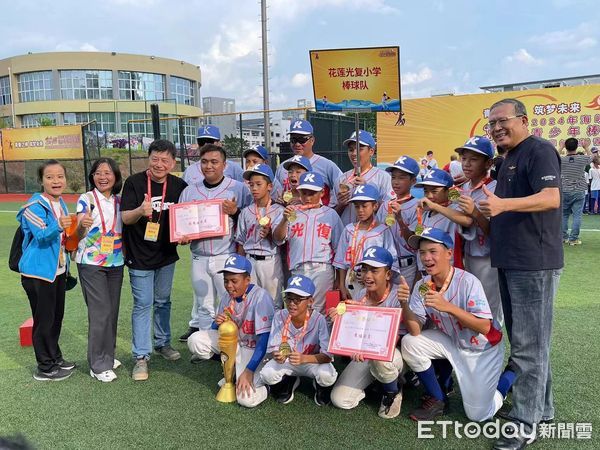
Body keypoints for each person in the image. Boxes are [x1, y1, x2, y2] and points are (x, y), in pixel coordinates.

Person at [479, 98, 562, 450]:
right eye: (491, 123)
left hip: (534, 262)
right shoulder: (507, 158)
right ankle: (542, 409)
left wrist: (501, 205)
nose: (497, 128)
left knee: (528, 346)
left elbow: (551, 197)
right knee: (530, 342)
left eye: (503, 121)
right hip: (511, 260)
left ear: (523, 120)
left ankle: (524, 423)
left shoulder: (539, 150)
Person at [400, 227, 514, 422]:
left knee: (478, 415)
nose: (426, 258)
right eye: (422, 252)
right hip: (453, 343)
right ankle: (438, 398)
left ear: (449, 253)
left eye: (432, 251)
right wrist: (404, 303)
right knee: (410, 342)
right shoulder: (422, 285)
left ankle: (510, 375)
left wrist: (448, 307)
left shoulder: (468, 281)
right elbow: (416, 330)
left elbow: (485, 327)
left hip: (482, 350)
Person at [121, 139, 188, 381]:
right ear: (149, 158)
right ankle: (141, 356)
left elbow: (188, 216)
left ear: (173, 162)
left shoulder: (180, 185)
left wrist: (186, 234)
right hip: (139, 256)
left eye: (165, 160)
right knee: (143, 304)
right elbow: (125, 218)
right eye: (155, 159)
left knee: (163, 301)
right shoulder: (134, 183)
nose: (159, 164)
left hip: (166, 256)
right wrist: (140, 211)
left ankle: (162, 343)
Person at [178, 143, 252, 342]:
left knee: (232, 302)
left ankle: (235, 343)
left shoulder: (238, 188)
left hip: (225, 254)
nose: (209, 166)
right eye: (204, 162)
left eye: (214, 162)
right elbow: (182, 224)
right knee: (204, 304)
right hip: (199, 255)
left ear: (224, 165)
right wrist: (182, 235)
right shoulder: (190, 191)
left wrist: (235, 212)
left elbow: (250, 220)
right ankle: (206, 345)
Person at [187, 255, 274, 408]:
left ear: (248, 279)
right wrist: (217, 323)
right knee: (196, 340)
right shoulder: (227, 297)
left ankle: (268, 386)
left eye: (234, 281)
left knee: (246, 399)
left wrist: (249, 370)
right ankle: (232, 371)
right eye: (226, 280)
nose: (229, 285)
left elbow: (264, 340)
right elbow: (217, 332)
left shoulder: (261, 297)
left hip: (255, 350)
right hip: (236, 346)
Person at [329, 246, 405, 419]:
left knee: (380, 359)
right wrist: (340, 324)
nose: (368, 275)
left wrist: (369, 348)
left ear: (387, 274)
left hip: (393, 353)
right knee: (340, 399)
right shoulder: (362, 293)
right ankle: (374, 384)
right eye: (365, 270)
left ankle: (393, 390)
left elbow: (401, 336)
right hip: (366, 354)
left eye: (374, 270)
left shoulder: (396, 295)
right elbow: (354, 332)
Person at [17, 160, 75, 381]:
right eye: (50, 177)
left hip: (57, 271)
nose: (56, 181)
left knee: (56, 317)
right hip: (37, 273)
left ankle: (55, 357)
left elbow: (64, 235)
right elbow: (41, 235)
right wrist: (59, 225)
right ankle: (44, 367)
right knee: (43, 320)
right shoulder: (32, 207)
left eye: (60, 176)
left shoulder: (61, 203)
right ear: (41, 181)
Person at [75, 158, 124, 382]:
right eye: (97, 173)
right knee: (100, 312)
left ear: (115, 176)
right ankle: (98, 364)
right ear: (92, 177)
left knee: (111, 311)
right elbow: (78, 232)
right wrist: (80, 226)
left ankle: (108, 355)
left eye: (107, 173)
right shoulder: (87, 199)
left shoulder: (119, 201)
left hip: (115, 262)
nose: (102, 177)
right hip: (91, 262)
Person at [260, 275, 337, 405]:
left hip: (311, 361)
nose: (291, 304)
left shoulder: (319, 319)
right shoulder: (280, 315)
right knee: (267, 374)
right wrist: (277, 356)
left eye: (297, 300)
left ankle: (320, 387)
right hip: (288, 361)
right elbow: (273, 348)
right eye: (289, 298)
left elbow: (328, 356)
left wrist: (304, 359)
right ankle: (288, 381)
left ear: (310, 301)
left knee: (327, 376)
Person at [273, 172, 343, 313]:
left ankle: (321, 336)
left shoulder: (330, 214)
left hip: (322, 268)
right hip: (298, 268)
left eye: (312, 193)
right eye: (304, 193)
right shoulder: (292, 213)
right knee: (298, 311)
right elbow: (278, 238)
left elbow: (339, 250)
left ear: (322, 192)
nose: (308, 197)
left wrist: (339, 280)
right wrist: (284, 219)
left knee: (319, 312)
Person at [453, 136, 503, 325]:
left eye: (473, 159)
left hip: (488, 259)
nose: (466, 163)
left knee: (489, 308)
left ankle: (492, 349)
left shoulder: (495, 188)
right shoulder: (462, 187)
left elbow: (496, 232)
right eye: (464, 158)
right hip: (465, 255)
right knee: (468, 305)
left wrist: (474, 212)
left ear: (488, 163)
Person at [333, 184, 398, 300]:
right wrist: (342, 285)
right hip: (352, 279)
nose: (360, 210)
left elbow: (391, 260)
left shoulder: (382, 230)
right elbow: (340, 262)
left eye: (364, 206)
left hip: (374, 279)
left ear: (375, 206)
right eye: (357, 207)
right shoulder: (349, 229)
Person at [235, 163, 285, 308]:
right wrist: (240, 267)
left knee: (273, 303)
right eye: (251, 185)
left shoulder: (279, 210)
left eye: (258, 184)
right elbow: (241, 243)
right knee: (249, 303)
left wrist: (270, 234)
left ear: (269, 186)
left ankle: (274, 331)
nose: (254, 188)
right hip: (250, 260)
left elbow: (281, 240)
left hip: (270, 260)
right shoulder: (246, 212)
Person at [410, 168, 475, 273]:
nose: (429, 195)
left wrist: (435, 206)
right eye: (426, 191)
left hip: (449, 272)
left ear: (448, 191)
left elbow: (468, 220)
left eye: (434, 191)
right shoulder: (426, 213)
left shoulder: (454, 208)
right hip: (425, 271)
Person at [330, 130, 395, 225]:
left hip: (373, 235)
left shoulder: (383, 178)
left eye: (359, 149)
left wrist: (369, 193)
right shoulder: (341, 179)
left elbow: (390, 213)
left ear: (371, 151)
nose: (354, 153)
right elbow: (331, 215)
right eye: (351, 150)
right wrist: (341, 205)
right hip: (347, 235)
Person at [274, 120, 343, 205]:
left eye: (302, 140)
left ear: (312, 140)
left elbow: (343, 189)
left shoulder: (327, 165)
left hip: (318, 217)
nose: (297, 144)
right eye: (293, 140)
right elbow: (275, 194)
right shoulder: (282, 167)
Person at [378, 156, 421, 288]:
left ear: (413, 180)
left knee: (405, 305)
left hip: (407, 267)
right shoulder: (385, 205)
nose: (396, 182)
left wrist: (400, 220)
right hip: (386, 267)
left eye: (401, 178)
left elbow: (415, 243)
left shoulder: (418, 206)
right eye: (393, 177)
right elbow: (377, 233)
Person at [559, 138, 593, 245]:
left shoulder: (561, 160)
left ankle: (564, 237)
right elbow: (592, 157)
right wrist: (586, 147)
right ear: (576, 146)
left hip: (565, 190)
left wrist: (561, 146)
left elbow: (553, 157)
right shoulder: (581, 159)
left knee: (564, 215)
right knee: (577, 215)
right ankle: (573, 239)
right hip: (579, 190)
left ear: (566, 146)